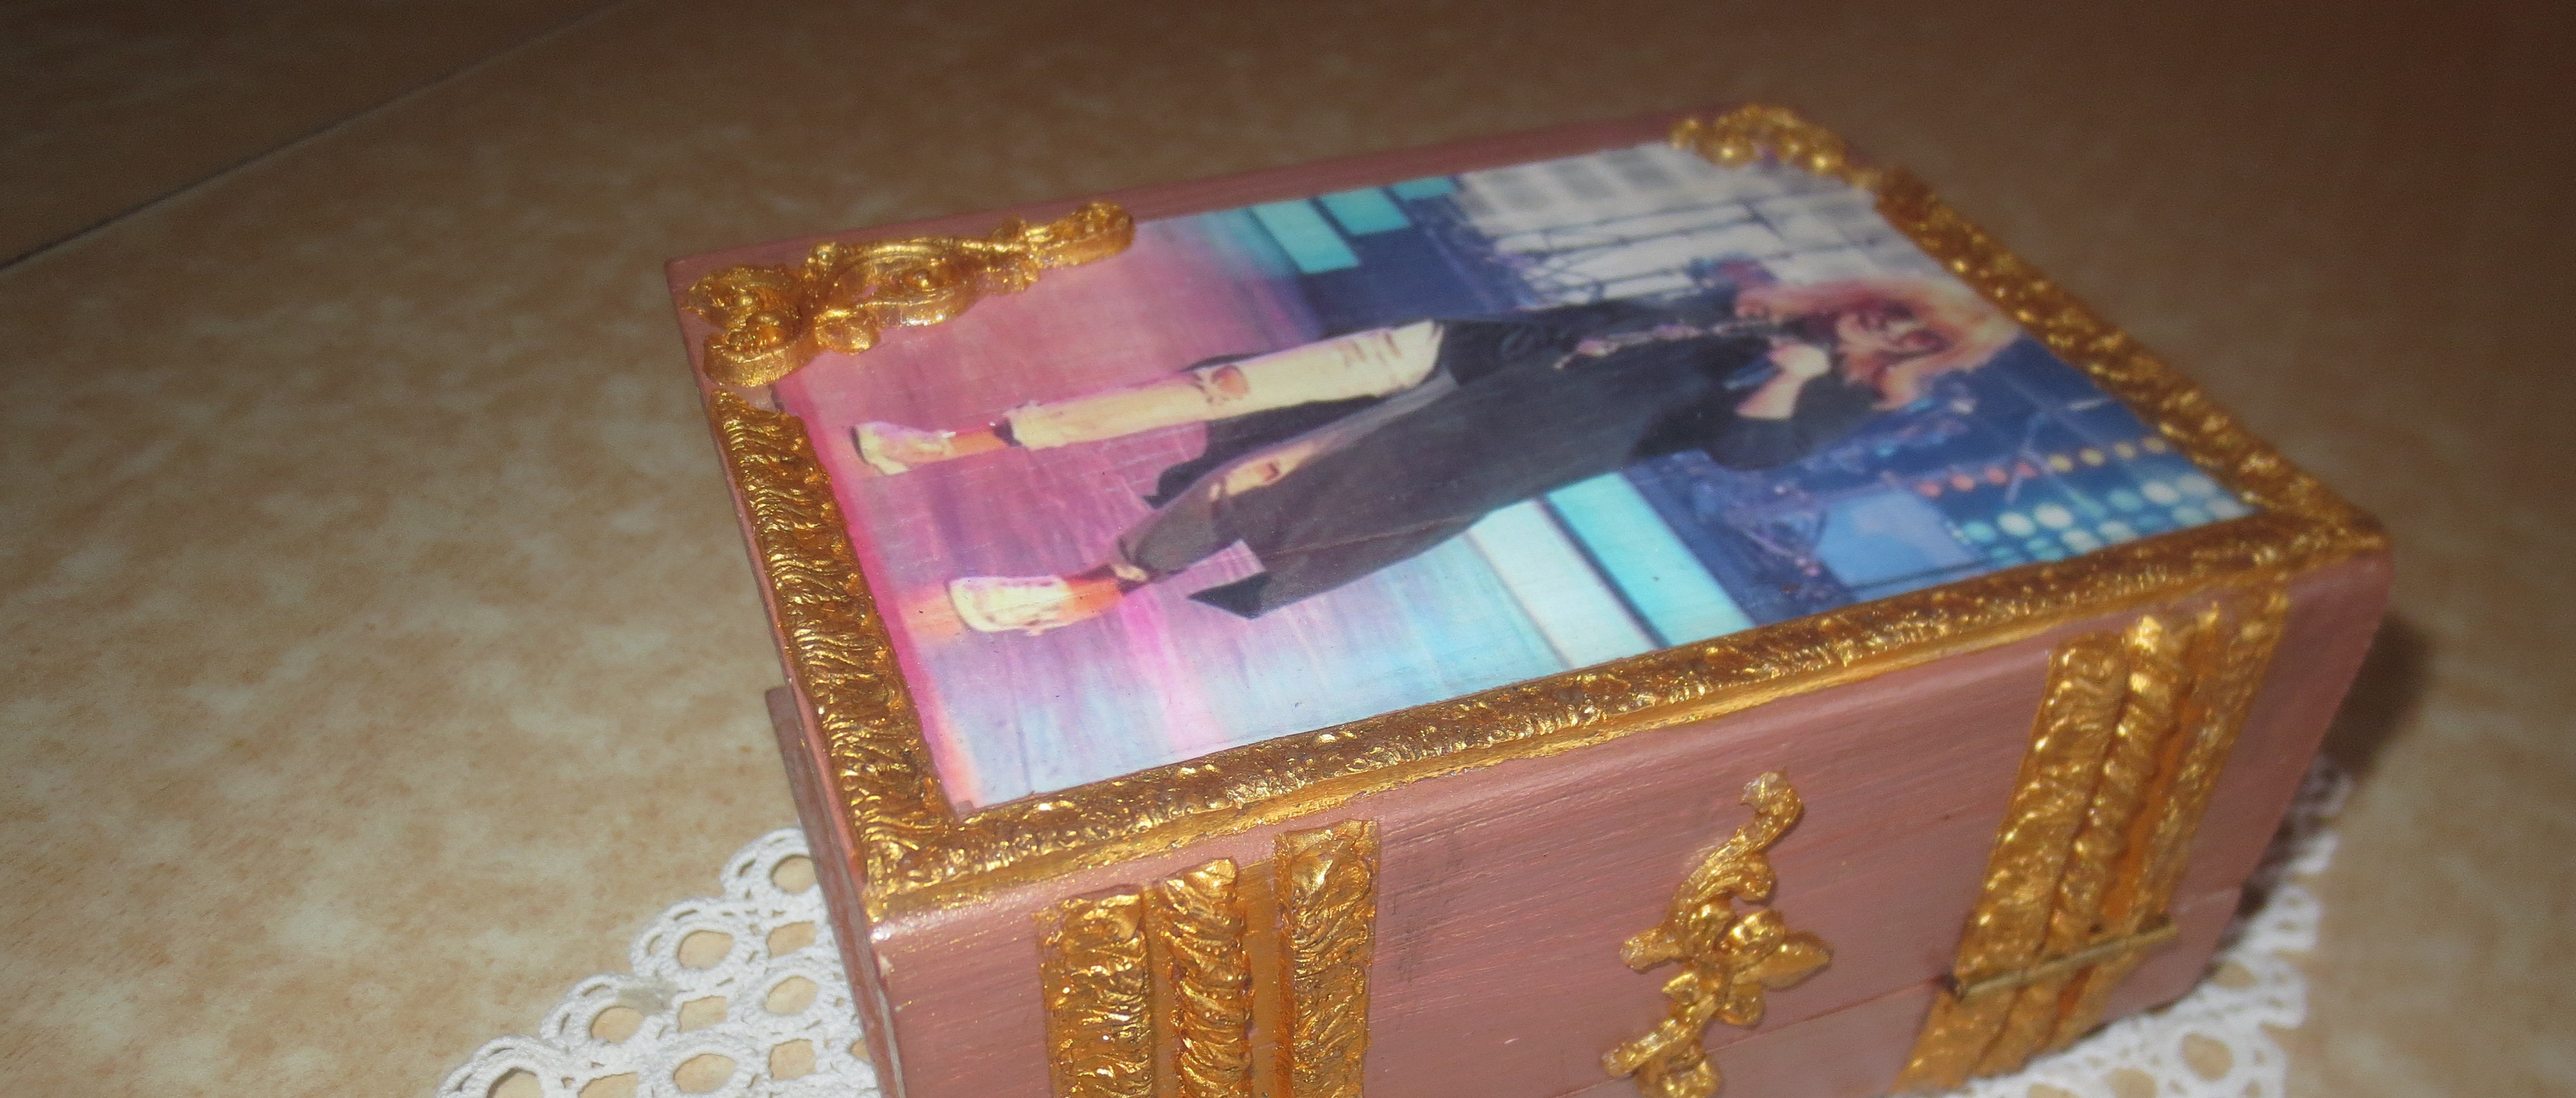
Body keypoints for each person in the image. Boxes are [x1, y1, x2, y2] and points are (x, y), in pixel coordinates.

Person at [852, 276, 2018, 634]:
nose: (1892, 329)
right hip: (1458, 348)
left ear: (1922, 357)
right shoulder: (1756, 303)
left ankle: (1081, 593)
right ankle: (952, 442)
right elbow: (1588, 320)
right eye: (1900, 308)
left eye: (1920, 339)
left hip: (1487, 428)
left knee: (1263, 485)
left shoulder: (1824, 397)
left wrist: (1793, 374)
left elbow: (1745, 454)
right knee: (1220, 391)